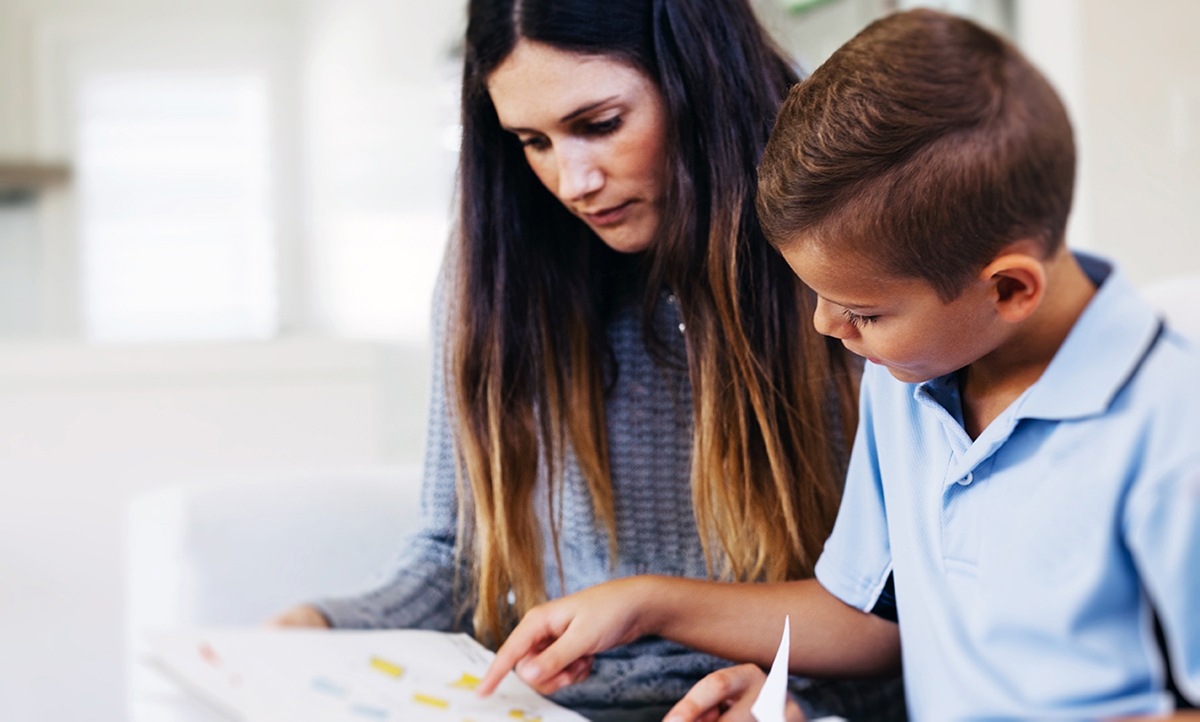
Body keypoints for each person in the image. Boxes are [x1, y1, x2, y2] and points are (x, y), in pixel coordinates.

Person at [476, 9, 1200, 721]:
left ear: (1009, 288)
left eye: (865, 312)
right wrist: (646, 604)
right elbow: (868, 616)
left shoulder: (1172, 429)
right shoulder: (909, 381)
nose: (826, 326)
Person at [272, 0, 902, 719]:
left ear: (698, 78)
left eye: (600, 125)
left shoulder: (849, 262)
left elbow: (900, 610)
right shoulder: (496, 266)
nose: (573, 183)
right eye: (531, 141)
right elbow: (455, 552)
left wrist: (798, 705)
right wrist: (321, 626)